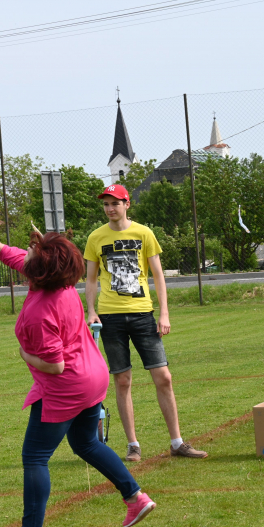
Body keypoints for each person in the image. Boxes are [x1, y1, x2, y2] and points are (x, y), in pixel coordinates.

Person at [0, 230, 155, 527]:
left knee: (35, 457)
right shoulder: (58, 281)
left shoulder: (38, 311)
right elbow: (0, 249)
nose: (27, 252)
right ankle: (135, 497)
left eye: (33, 251)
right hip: (93, 376)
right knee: (86, 443)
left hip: (67, 386)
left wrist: (24, 355)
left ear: (40, 268)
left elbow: (55, 365)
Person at [84, 184, 207, 462]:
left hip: (143, 314)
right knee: (123, 380)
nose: (109, 208)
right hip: (110, 317)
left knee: (163, 377)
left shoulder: (144, 233)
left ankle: (177, 443)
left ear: (127, 204)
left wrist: (164, 313)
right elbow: (90, 279)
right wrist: (91, 311)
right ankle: (133, 445)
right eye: (105, 204)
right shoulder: (95, 238)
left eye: (115, 203)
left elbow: (158, 276)